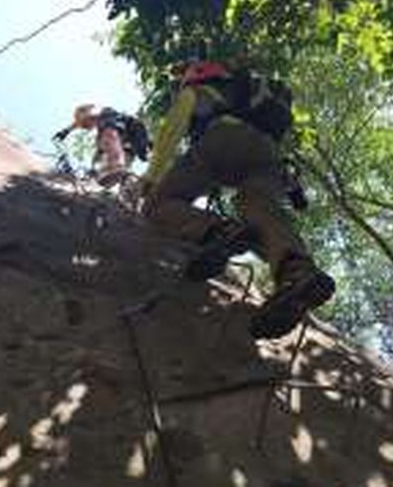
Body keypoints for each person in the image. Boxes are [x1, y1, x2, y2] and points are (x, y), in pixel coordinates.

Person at [141, 60, 335, 339]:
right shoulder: (250, 97)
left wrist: (151, 178)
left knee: (159, 205)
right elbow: (284, 174)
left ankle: (218, 231)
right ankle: (297, 271)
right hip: (268, 154)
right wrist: (295, 193)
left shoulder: (200, 89)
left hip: (222, 140)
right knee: (259, 210)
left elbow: (172, 129)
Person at [53, 104, 150, 188]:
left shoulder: (101, 113)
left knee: (106, 136)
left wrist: (67, 130)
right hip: (130, 140)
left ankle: (117, 166)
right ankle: (132, 184)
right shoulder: (103, 127)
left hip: (131, 127)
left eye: (85, 125)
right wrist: (94, 168)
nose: (85, 127)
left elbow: (84, 117)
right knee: (102, 153)